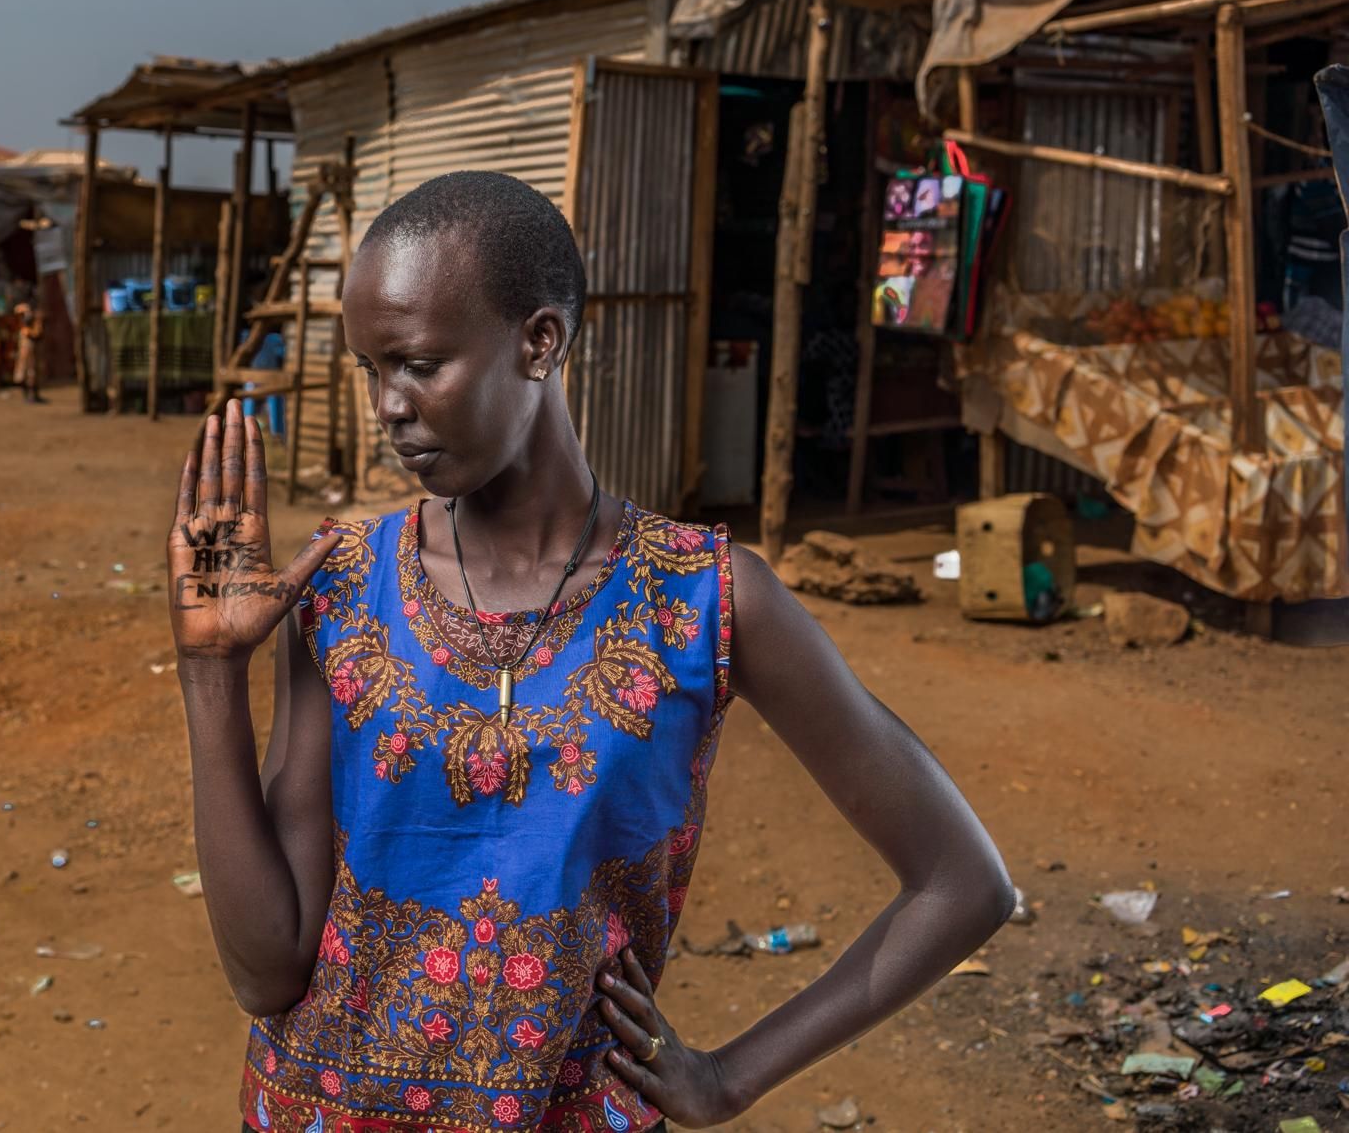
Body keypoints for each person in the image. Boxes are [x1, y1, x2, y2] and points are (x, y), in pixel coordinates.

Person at [167, 171, 1012, 1132]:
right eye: (371, 368)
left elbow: (963, 882)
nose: (388, 405)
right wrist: (210, 673)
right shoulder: (343, 585)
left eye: (419, 364)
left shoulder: (704, 598)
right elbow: (267, 971)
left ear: (541, 341)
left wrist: (728, 1079)